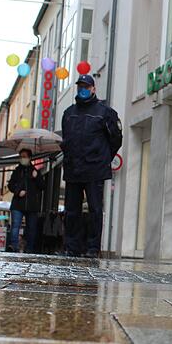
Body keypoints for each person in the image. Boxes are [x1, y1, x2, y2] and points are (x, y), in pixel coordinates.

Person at [61, 74, 122, 258]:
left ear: (94, 88)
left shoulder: (105, 112)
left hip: (94, 169)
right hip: (73, 169)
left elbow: (116, 139)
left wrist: (103, 158)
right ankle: (72, 247)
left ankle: (93, 248)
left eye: (86, 86)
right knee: (72, 211)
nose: (83, 89)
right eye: (80, 86)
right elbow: (66, 139)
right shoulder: (68, 113)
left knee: (95, 210)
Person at [7, 148, 44, 253]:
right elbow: (10, 185)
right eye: (21, 156)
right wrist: (18, 192)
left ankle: (29, 248)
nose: (23, 158)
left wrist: (36, 177)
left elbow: (42, 186)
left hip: (32, 205)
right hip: (18, 203)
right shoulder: (17, 171)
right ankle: (13, 246)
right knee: (15, 225)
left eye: (25, 156)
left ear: (29, 158)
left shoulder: (35, 171)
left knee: (31, 228)